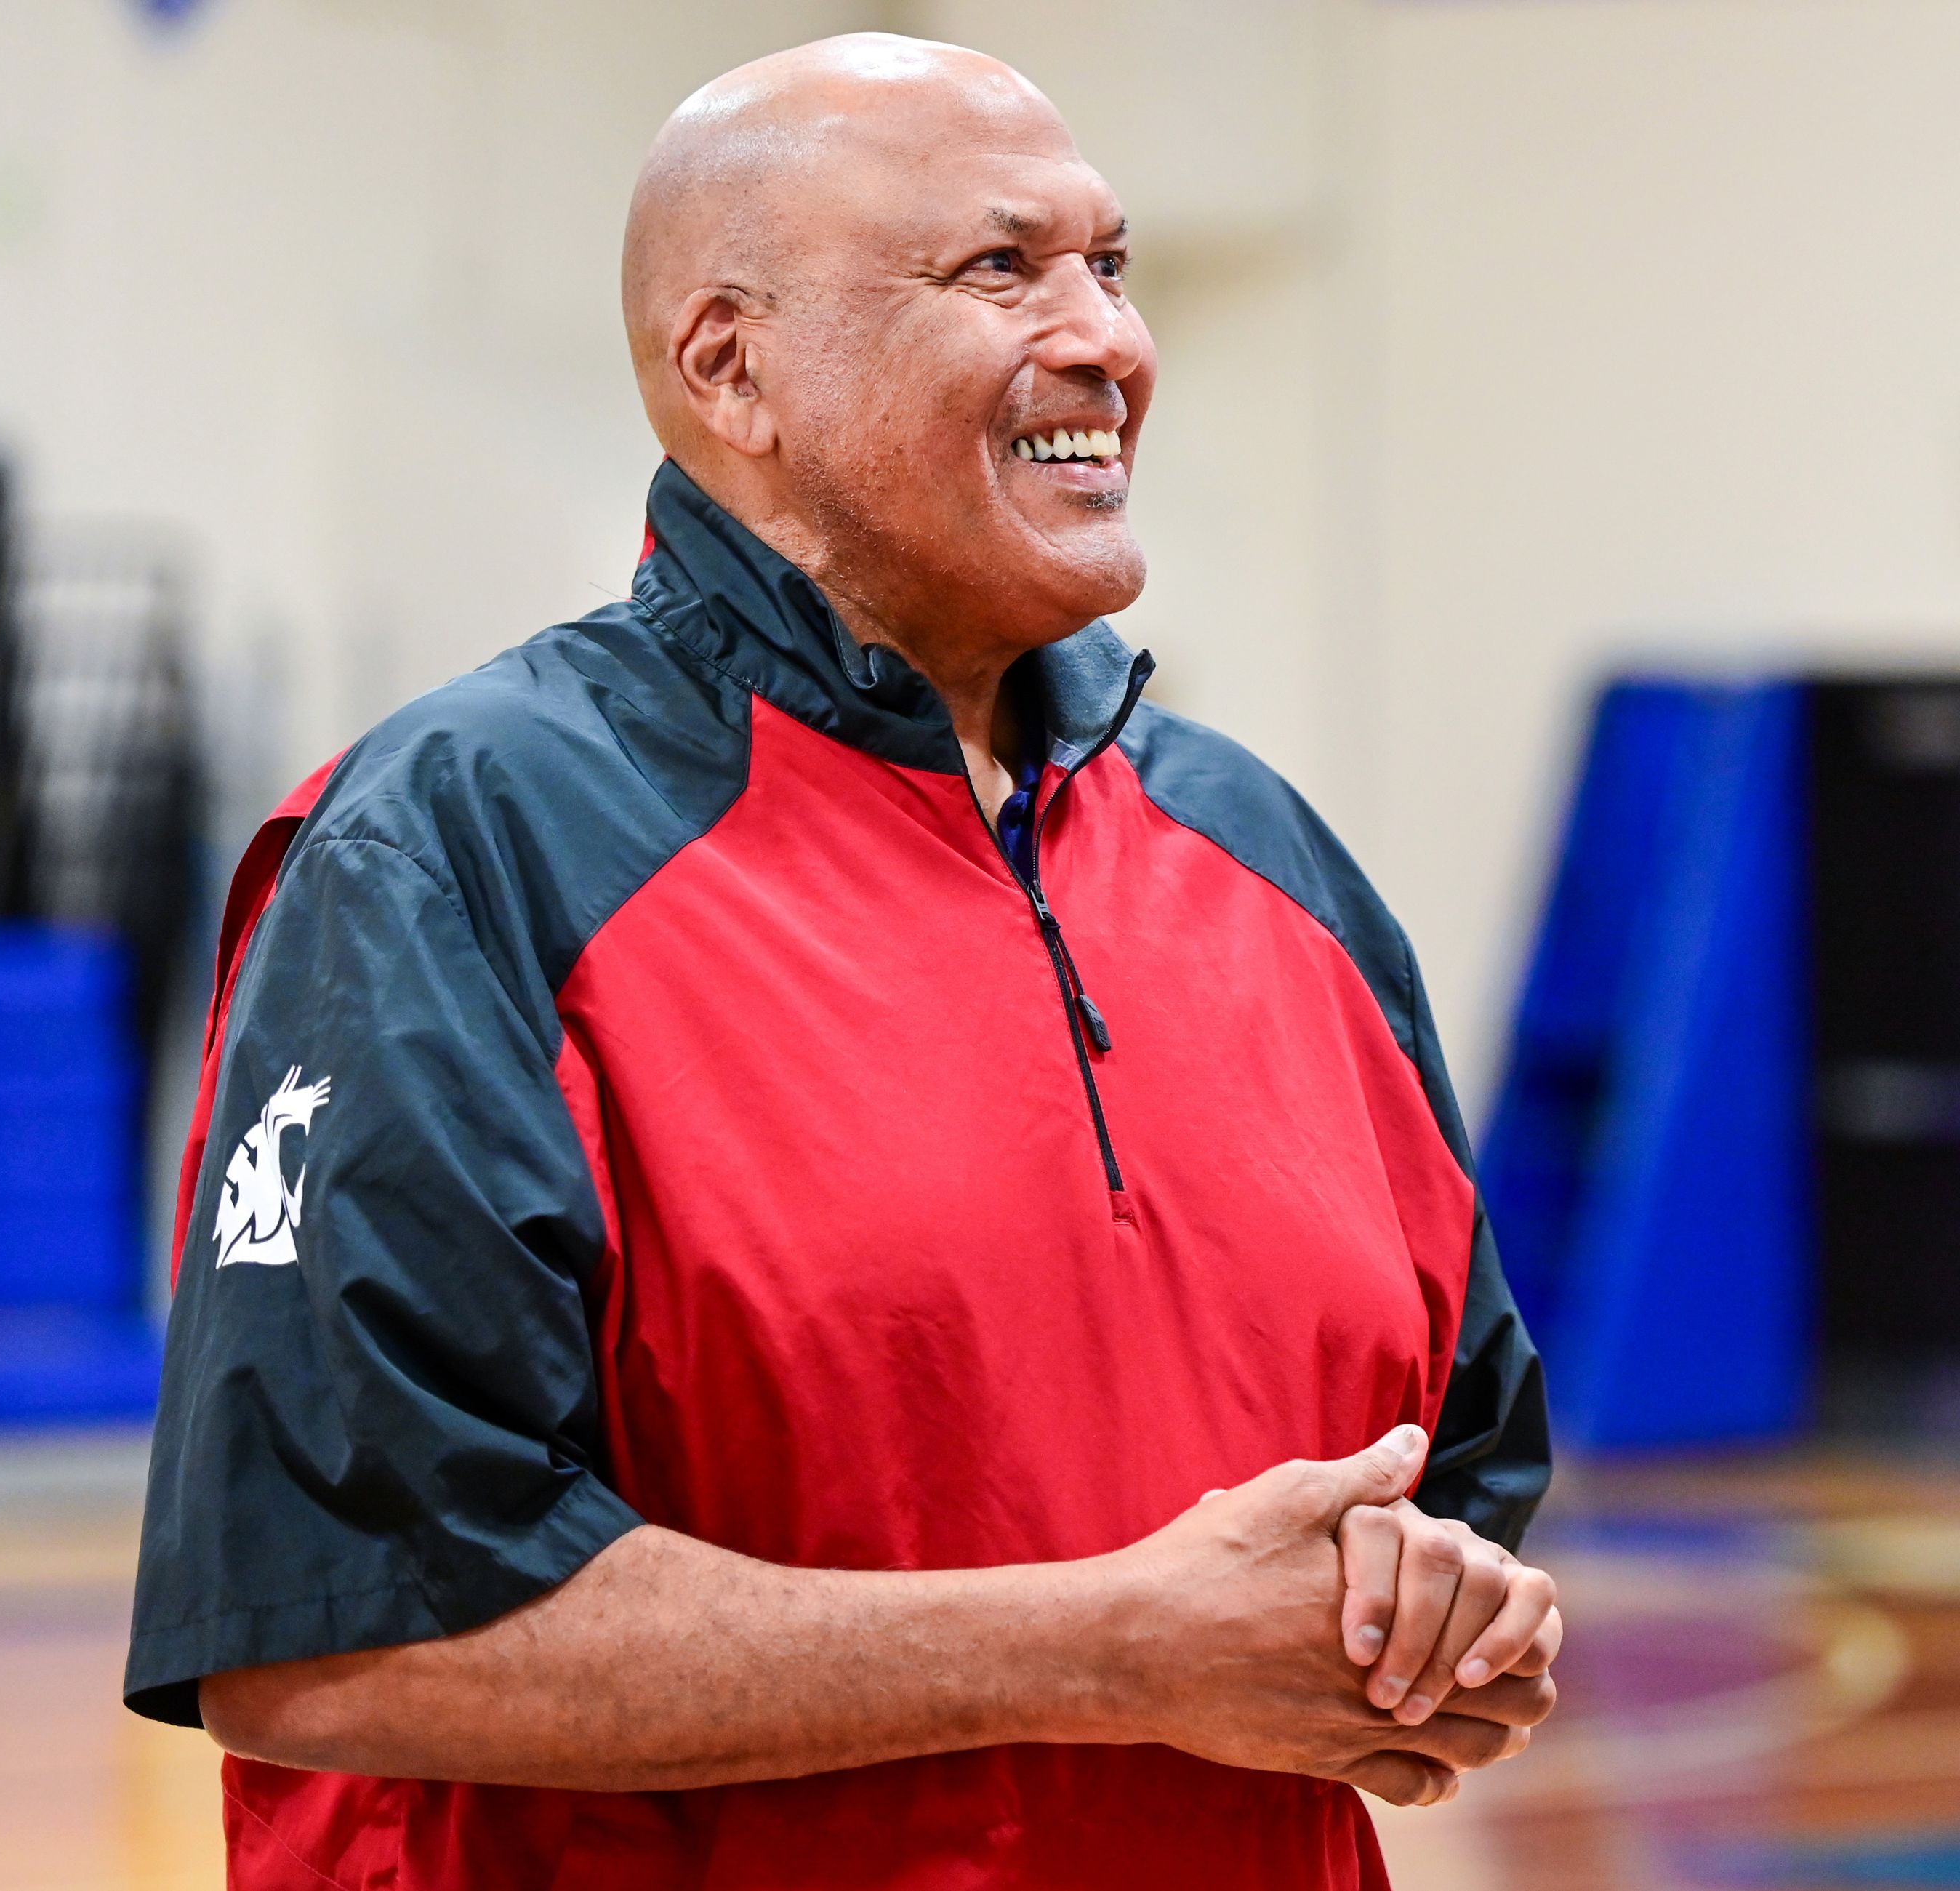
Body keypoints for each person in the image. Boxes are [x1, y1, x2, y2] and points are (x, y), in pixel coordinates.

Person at [123, 33, 1554, 1890]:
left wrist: (1440, 1624)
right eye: (1000, 269)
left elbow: (1461, 1489)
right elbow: (331, 1626)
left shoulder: (1266, 859)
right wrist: (1113, 1646)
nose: (1108, 340)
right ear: (734, 368)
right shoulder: (453, 845)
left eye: (1109, 266)